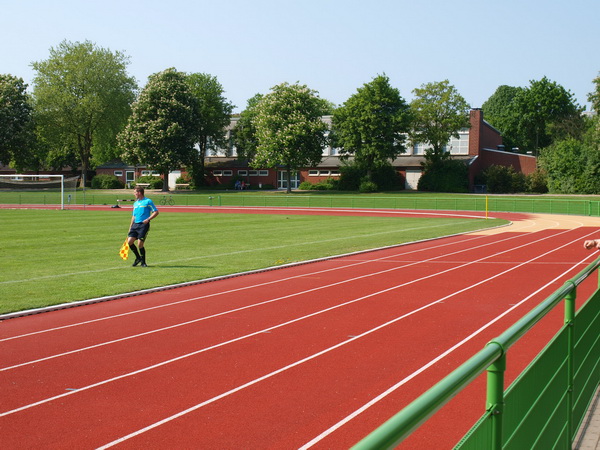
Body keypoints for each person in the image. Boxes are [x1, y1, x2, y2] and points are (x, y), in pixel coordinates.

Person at [127, 186, 159, 267]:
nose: (134, 194)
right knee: (129, 242)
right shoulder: (135, 203)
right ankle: (138, 258)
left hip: (143, 225)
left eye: (135, 192)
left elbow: (156, 212)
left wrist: (148, 219)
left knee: (140, 244)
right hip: (135, 225)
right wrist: (130, 226)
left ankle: (143, 262)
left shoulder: (148, 201)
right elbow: (133, 216)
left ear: (139, 193)